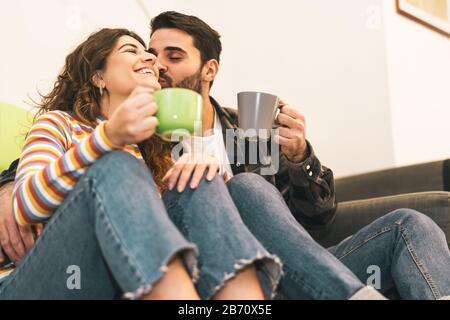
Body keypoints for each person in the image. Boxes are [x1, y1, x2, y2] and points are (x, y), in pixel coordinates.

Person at [142, 11, 450, 300]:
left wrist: (301, 157)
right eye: (152, 55)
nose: (159, 66)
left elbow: (317, 218)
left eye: (174, 56)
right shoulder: (143, 134)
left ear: (210, 69)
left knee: (409, 225)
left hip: (300, 273)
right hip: (231, 280)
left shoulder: (244, 130)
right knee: (246, 185)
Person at [0, 28, 284, 300]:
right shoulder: (60, 124)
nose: (151, 58)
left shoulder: (154, 152)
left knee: (199, 178)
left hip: (120, 280)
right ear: (99, 76)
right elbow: (25, 206)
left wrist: (211, 174)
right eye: (130, 50)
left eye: (148, 53)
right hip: (43, 280)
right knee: (116, 164)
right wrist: (107, 138)